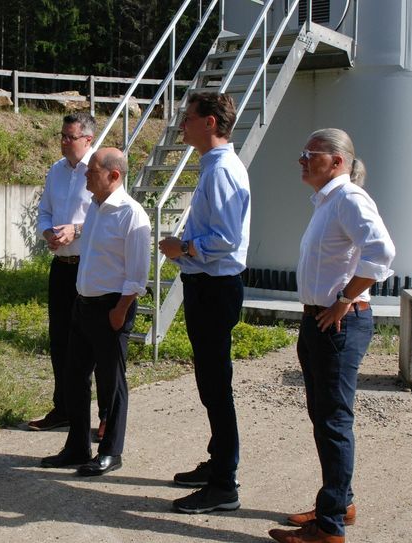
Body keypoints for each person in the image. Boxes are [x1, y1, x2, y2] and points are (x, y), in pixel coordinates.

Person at [268, 129, 395, 543]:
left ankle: (330, 528)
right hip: (318, 321)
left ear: (337, 161)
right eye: (303, 153)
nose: (302, 160)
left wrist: (344, 298)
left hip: (339, 321)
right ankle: (340, 503)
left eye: (311, 154)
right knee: (324, 418)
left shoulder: (349, 199)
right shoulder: (327, 201)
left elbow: (382, 252)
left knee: (334, 421)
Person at [159, 92, 250, 513]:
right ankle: (218, 463)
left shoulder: (222, 171)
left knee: (216, 387)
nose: (183, 125)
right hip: (208, 286)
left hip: (215, 288)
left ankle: (223, 484)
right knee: (211, 384)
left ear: (210, 122)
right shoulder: (214, 166)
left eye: (188, 118)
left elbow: (226, 239)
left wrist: (184, 247)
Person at [40, 147, 151, 476]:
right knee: (74, 378)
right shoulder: (95, 207)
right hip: (83, 305)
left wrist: (120, 310)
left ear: (114, 176)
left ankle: (110, 451)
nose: (86, 175)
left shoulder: (131, 214)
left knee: (112, 381)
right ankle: (76, 446)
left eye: (93, 171)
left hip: (111, 308)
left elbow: (137, 274)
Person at [30, 113, 108, 441]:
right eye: (61, 136)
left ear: (88, 140)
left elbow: (108, 214)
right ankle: (63, 408)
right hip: (61, 267)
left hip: (89, 266)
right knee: (59, 340)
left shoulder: (103, 168)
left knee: (96, 344)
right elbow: (44, 210)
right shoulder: (56, 171)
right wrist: (48, 231)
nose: (63, 141)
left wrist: (75, 229)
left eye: (69, 137)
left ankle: (105, 418)